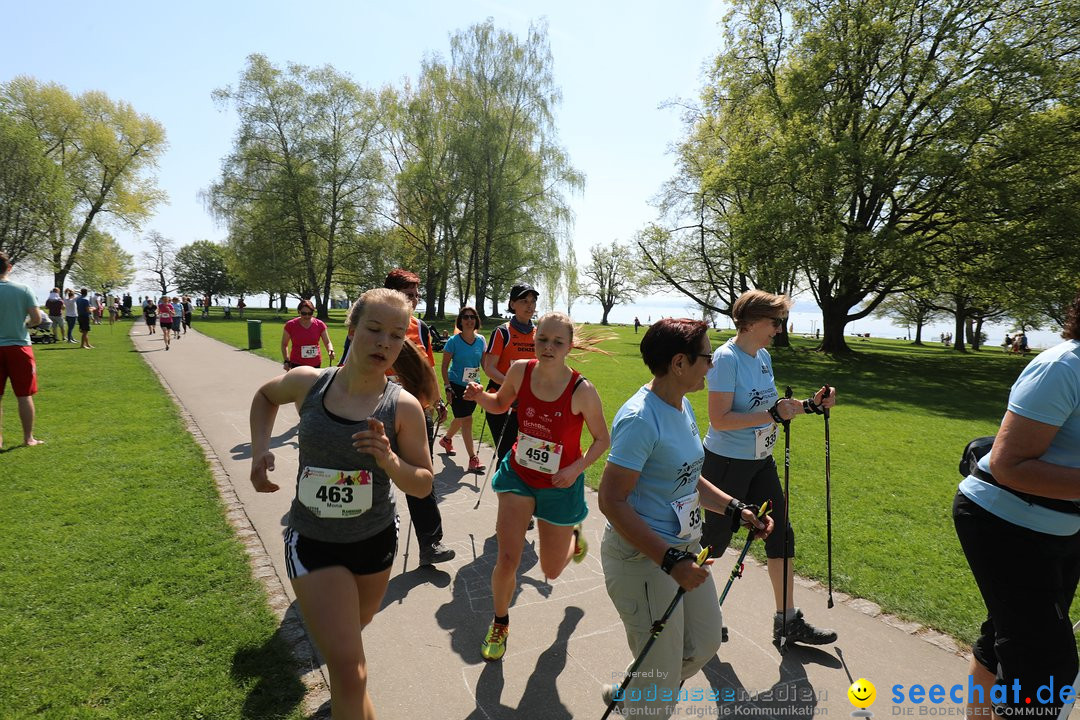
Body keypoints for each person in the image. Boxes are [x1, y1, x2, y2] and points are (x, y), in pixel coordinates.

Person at [249, 287, 433, 720]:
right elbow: (264, 397)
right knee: (351, 671)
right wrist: (260, 450)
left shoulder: (402, 407)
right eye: (373, 329)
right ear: (351, 329)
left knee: (351, 655)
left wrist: (388, 459)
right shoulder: (308, 383)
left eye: (395, 334)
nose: (384, 343)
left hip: (373, 544)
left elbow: (424, 485)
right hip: (313, 542)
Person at [598, 318, 772, 716]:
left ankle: (634, 688)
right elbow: (611, 500)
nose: (712, 365)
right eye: (706, 357)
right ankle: (645, 698)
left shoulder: (683, 405)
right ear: (679, 363)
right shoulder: (641, 418)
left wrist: (735, 508)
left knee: (704, 643)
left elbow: (688, 478)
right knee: (659, 685)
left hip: (684, 552)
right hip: (643, 560)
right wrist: (669, 560)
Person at [953, 288, 1080, 720]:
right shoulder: (1064, 367)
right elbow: (1010, 466)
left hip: (1064, 526)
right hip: (1003, 522)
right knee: (1048, 667)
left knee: (1008, 635)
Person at [463, 312, 610, 661]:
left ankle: (573, 536)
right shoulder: (520, 370)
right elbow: (501, 404)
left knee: (551, 569)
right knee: (508, 557)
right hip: (518, 474)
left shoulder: (581, 390)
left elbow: (603, 439)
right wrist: (480, 396)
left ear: (569, 346)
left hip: (560, 483)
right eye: (543, 339)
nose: (548, 347)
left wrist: (576, 469)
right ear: (535, 339)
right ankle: (500, 622)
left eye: (557, 342)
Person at [699, 290, 837, 648]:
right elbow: (720, 419)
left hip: (761, 462)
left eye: (781, 322)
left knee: (781, 534)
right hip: (726, 464)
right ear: (751, 322)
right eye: (775, 322)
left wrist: (809, 405)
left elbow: (773, 407)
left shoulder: (761, 357)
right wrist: (772, 414)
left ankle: (787, 621)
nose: (779, 329)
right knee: (712, 543)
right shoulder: (726, 359)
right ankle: (696, 617)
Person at [340, 269, 455, 565]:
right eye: (408, 295)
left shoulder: (422, 328)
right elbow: (346, 364)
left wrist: (438, 400)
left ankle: (431, 543)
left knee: (420, 475)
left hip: (413, 412)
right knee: (367, 473)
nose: (414, 300)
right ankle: (353, 537)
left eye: (416, 295)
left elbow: (427, 369)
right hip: (373, 409)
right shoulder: (371, 326)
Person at [482, 284, 539, 462]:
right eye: (524, 301)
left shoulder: (539, 333)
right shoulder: (502, 332)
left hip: (528, 401)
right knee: (506, 454)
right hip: (500, 398)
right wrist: (512, 386)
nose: (530, 306)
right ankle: (503, 488)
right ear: (512, 304)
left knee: (526, 455)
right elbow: (489, 367)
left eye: (533, 301)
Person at [0, 252, 45, 448]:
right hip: (19, 346)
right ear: (9, 267)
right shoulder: (23, 289)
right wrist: (24, 325)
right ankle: (28, 438)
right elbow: (37, 319)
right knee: (24, 395)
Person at [438, 306, 487, 473]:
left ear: (476, 320)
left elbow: (485, 365)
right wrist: (447, 387)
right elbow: (444, 367)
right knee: (466, 419)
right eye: (465, 317)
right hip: (456, 385)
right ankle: (473, 459)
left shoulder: (481, 340)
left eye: (472, 317)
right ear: (460, 321)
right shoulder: (453, 341)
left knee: (461, 417)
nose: (469, 320)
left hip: (474, 386)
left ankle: (446, 439)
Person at [282, 299, 334, 370]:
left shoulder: (320, 324)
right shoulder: (290, 325)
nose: (307, 316)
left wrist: (330, 350)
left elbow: (327, 342)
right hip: (297, 363)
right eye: (304, 313)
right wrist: (286, 360)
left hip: (315, 363)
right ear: (299, 312)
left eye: (310, 313)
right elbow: (284, 344)